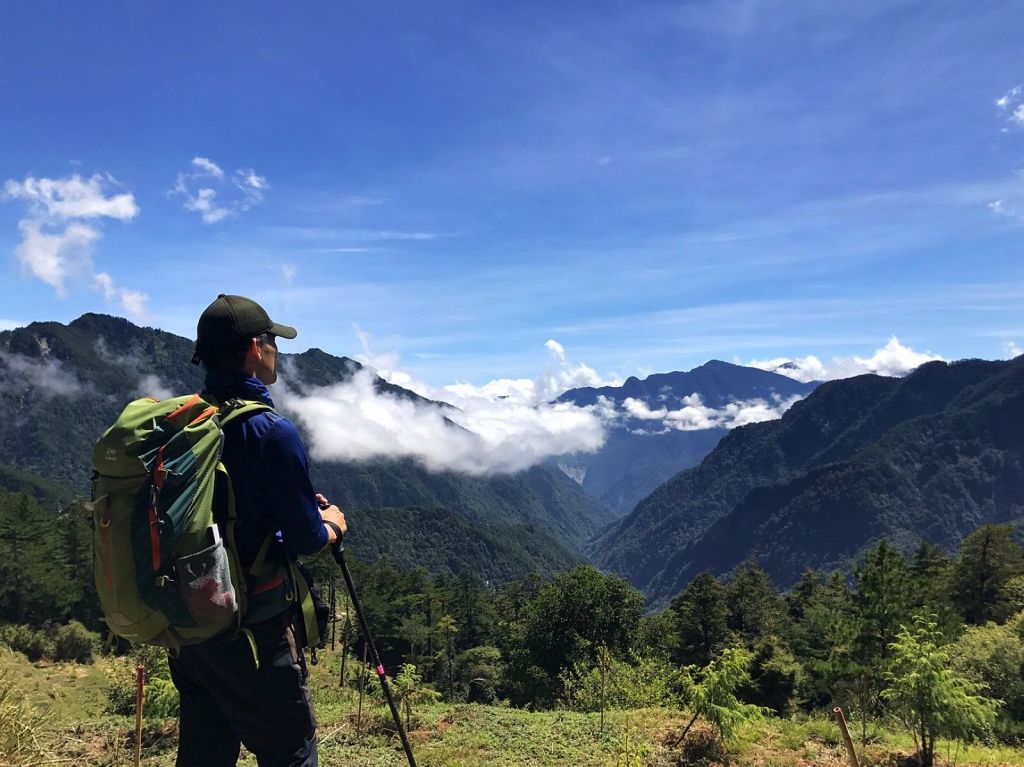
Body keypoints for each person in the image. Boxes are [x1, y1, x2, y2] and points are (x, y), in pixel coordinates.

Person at [169, 293, 347, 767]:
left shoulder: (184, 423)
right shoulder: (271, 432)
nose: (276, 351)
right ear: (254, 347)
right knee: (291, 751)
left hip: (190, 624)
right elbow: (306, 538)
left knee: (205, 752)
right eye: (272, 341)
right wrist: (330, 524)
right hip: (254, 629)